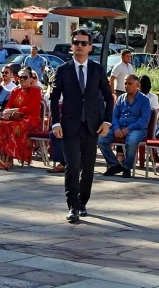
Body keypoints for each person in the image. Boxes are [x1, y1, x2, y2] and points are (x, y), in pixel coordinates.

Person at [50, 29, 113, 223]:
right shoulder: (63, 70)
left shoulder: (97, 69)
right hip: (70, 125)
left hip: (92, 125)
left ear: (90, 47)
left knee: (88, 167)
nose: (79, 46)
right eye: (76, 42)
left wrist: (107, 121)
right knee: (72, 166)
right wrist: (56, 122)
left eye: (83, 43)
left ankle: (83, 201)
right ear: (72, 46)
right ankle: (73, 206)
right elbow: (53, 98)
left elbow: (109, 98)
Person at [100, 74, 152, 178]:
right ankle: (115, 165)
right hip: (119, 127)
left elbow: (144, 120)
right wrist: (116, 128)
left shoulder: (144, 100)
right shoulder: (121, 98)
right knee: (101, 139)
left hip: (137, 129)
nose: (127, 86)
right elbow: (114, 115)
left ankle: (127, 168)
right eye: (125, 83)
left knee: (132, 140)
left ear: (137, 85)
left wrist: (129, 129)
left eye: (130, 83)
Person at [0, 68, 42, 166]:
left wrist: (14, 110)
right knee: (0, 124)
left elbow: (31, 108)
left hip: (31, 119)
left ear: (31, 79)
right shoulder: (15, 90)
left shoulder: (36, 91)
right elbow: (8, 105)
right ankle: (2, 156)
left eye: (25, 77)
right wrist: (7, 112)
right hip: (15, 118)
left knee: (13, 126)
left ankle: (9, 158)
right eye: (20, 77)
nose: (22, 79)